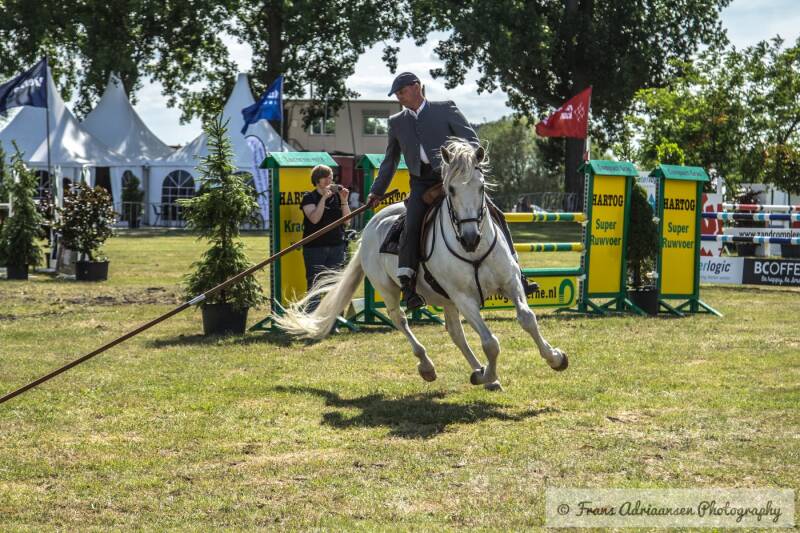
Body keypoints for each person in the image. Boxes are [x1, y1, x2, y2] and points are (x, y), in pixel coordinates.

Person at [366, 72, 533, 310]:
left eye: (401, 92)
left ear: (416, 87)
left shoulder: (446, 109)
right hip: (422, 184)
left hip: (456, 177)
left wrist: (467, 164)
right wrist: (377, 190)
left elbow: (470, 139)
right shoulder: (396, 122)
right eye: (397, 95)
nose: (399, 98)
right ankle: (408, 282)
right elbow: (390, 160)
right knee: (411, 223)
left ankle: (518, 273)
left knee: (497, 215)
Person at [300, 165, 350, 307]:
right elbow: (314, 219)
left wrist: (344, 200)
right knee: (315, 284)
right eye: (326, 177)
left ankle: (334, 320)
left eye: (331, 177)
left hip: (337, 246)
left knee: (335, 285)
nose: (330, 180)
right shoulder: (309, 197)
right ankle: (312, 317)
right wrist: (322, 199)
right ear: (317, 180)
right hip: (315, 247)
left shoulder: (337, 197)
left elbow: (347, 221)